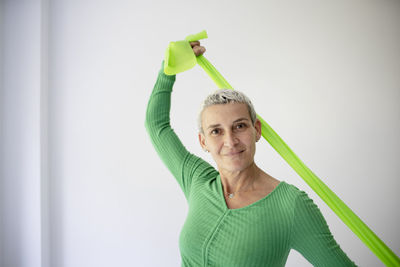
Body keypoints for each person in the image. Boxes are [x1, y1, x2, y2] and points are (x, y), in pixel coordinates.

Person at [145, 41, 357, 266]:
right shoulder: (197, 179)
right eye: (216, 131)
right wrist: (167, 72)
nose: (230, 141)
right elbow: (156, 126)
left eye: (239, 126)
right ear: (203, 141)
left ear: (256, 130)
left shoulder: (290, 206)